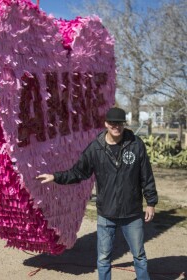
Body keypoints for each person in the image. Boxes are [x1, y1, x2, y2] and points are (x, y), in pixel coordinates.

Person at [36, 107, 158, 280]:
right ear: (106, 123)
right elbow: (78, 172)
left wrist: (151, 202)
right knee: (103, 258)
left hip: (132, 213)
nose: (117, 126)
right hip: (106, 213)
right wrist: (55, 177)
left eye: (120, 123)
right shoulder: (95, 148)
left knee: (139, 255)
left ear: (124, 124)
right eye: (113, 123)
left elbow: (146, 175)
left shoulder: (136, 144)